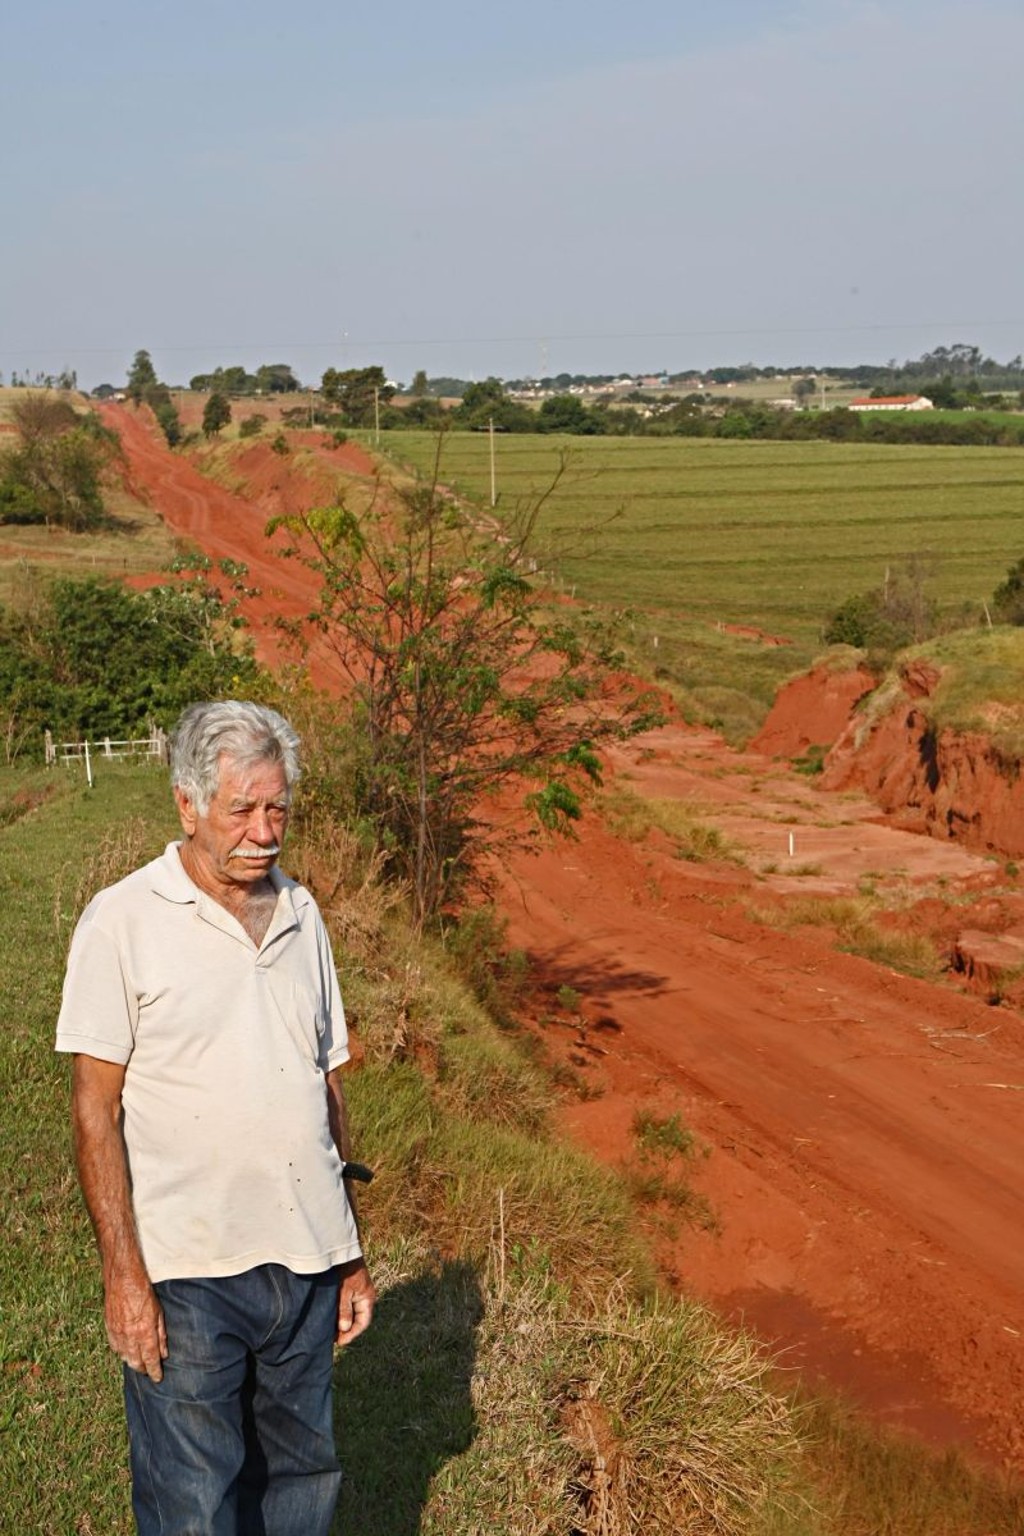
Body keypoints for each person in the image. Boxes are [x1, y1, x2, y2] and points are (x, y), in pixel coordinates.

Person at [56, 699, 375, 1535]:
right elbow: (96, 1112)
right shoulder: (122, 921)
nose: (265, 831)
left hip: (306, 1263)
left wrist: (350, 1252)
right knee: (193, 1509)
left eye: (279, 810)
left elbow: (327, 1088)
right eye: (243, 809)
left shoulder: (305, 916)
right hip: (186, 1269)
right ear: (187, 804)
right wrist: (125, 1275)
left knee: (302, 1488)